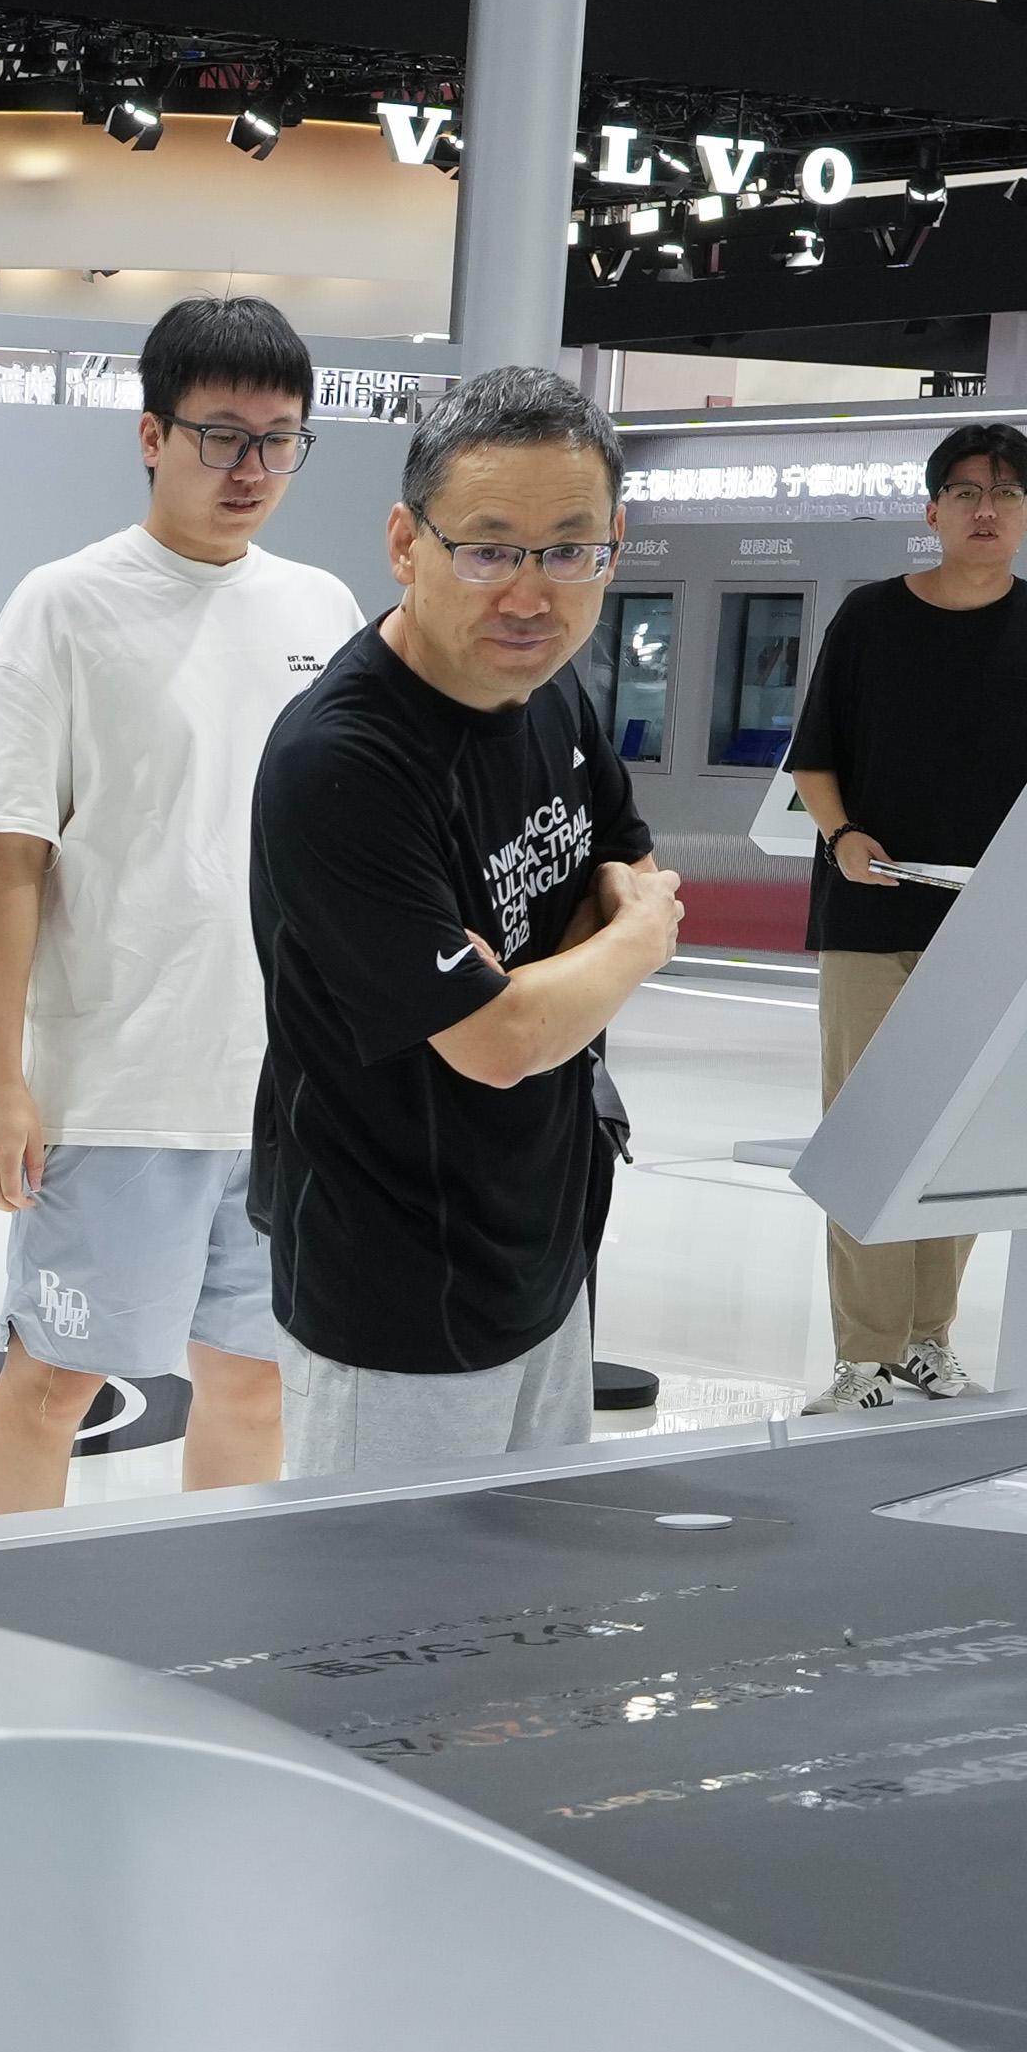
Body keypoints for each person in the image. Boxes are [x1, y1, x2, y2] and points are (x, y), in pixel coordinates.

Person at [0, 294, 358, 1515]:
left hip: (286, 1089)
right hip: (119, 1085)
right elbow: (8, 865)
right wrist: (0, 1084)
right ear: (150, 434)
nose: (251, 469)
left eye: (279, 440)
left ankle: (219, 1607)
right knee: (53, 1382)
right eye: (221, 435)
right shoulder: (63, 604)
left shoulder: (323, 609)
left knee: (256, 1383)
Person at [246, 363, 682, 1481]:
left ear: (613, 546)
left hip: (546, 1246)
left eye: (569, 551)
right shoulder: (343, 762)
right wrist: (629, 945)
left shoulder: (551, 689)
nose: (530, 597)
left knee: (532, 1577)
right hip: (394, 1285)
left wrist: (533, 985)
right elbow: (498, 1040)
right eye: (488, 550)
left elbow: (624, 868)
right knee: (385, 1594)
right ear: (405, 543)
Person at [784, 417, 1027, 1408]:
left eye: (1005, 493)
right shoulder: (870, 619)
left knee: (958, 1138)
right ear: (932, 511)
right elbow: (813, 756)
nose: (985, 509)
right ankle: (863, 1354)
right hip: (871, 914)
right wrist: (843, 836)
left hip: (995, 924)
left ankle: (928, 1338)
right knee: (868, 1128)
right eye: (966, 491)